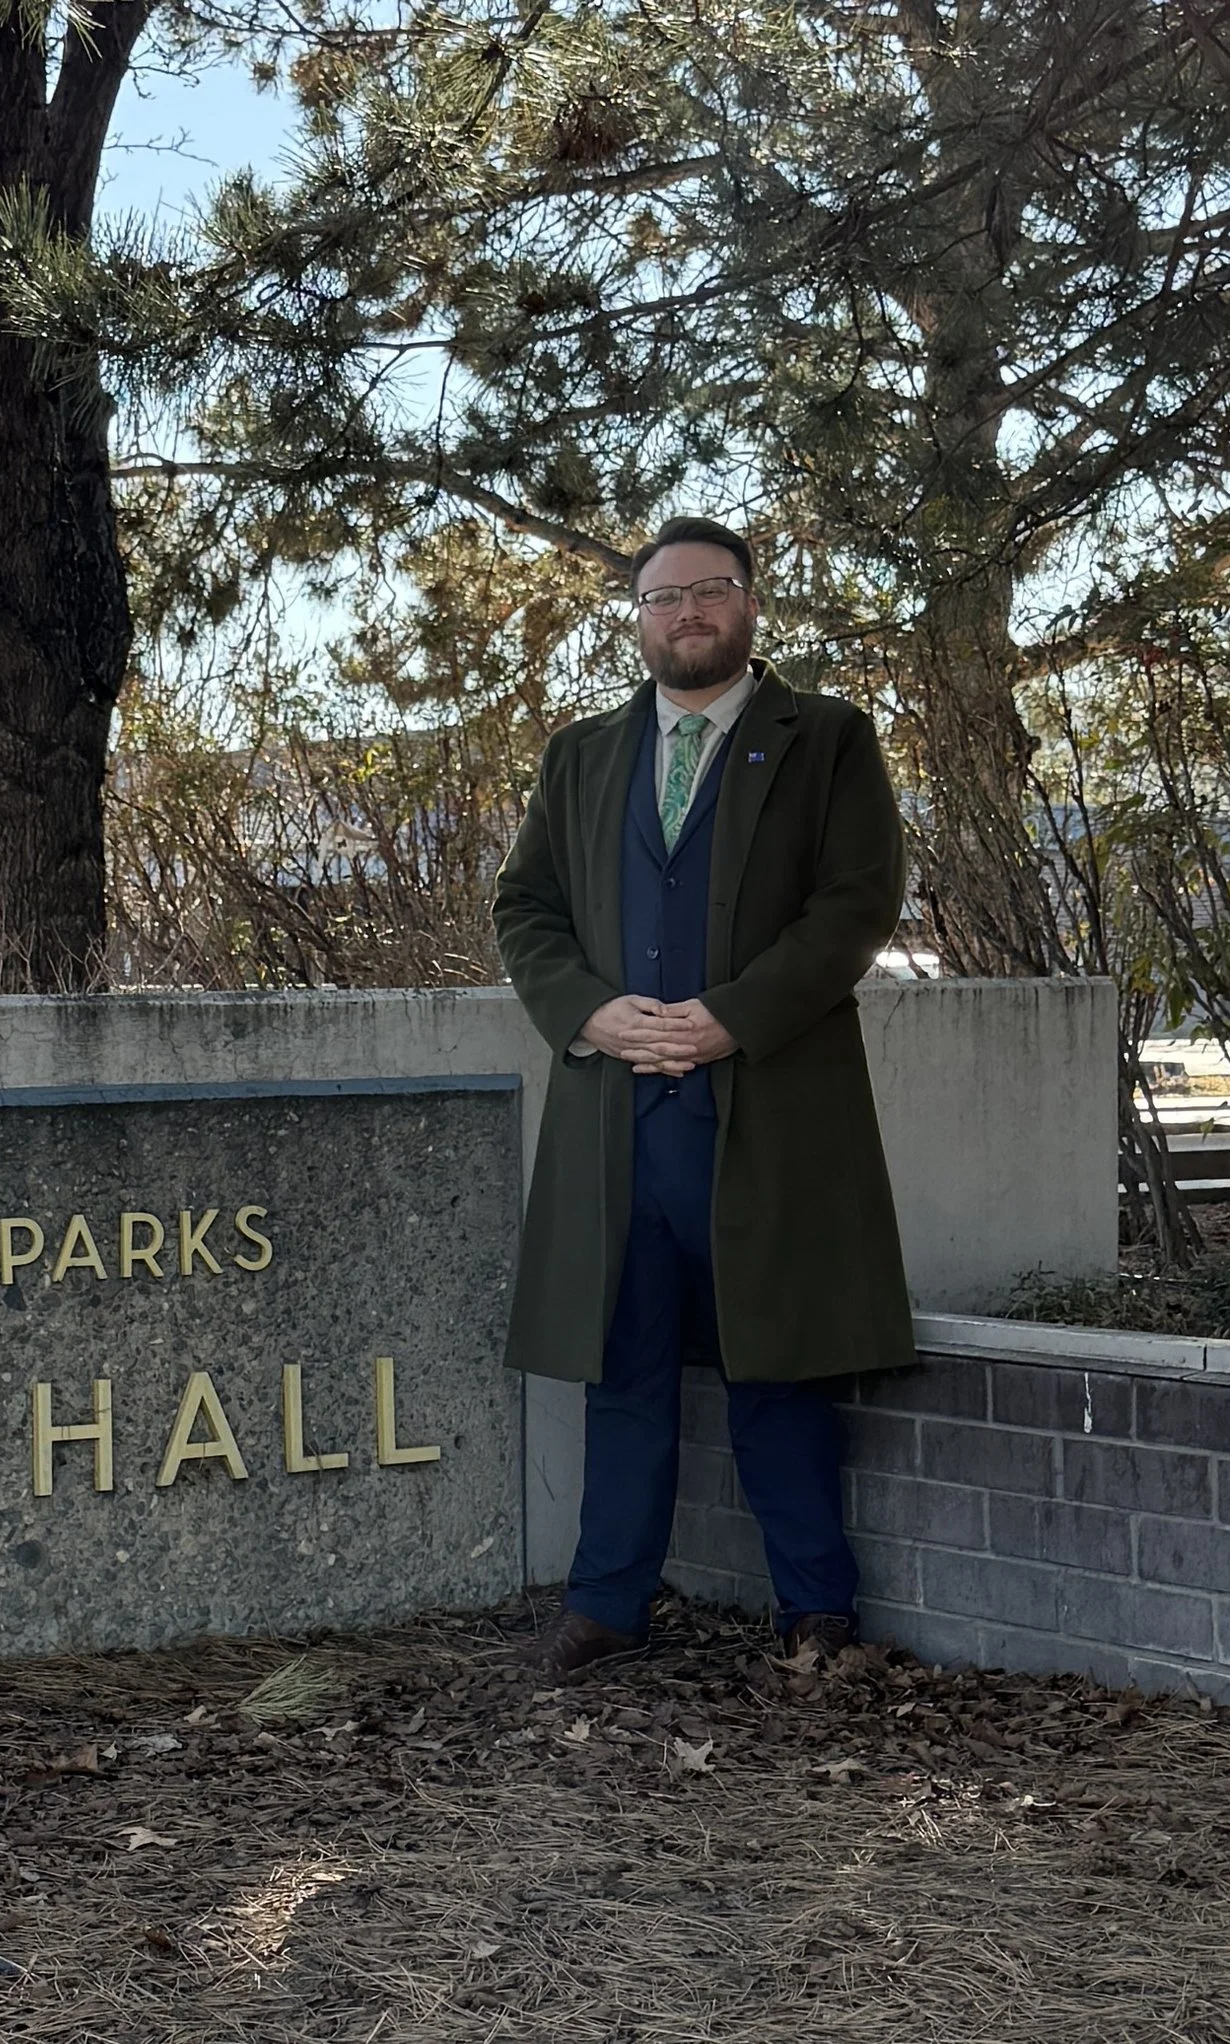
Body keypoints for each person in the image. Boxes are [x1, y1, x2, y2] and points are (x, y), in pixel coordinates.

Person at [492, 515, 915, 1679]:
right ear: (637, 620)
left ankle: (814, 1610)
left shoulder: (826, 739)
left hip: (766, 1113)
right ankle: (605, 1603)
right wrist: (585, 1009)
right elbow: (523, 907)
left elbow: (855, 901)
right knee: (621, 1373)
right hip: (617, 1121)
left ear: (748, 604)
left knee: (778, 1370)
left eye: (710, 590)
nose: (688, 613)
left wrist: (737, 1014)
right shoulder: (580, 756)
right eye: (664, 597)